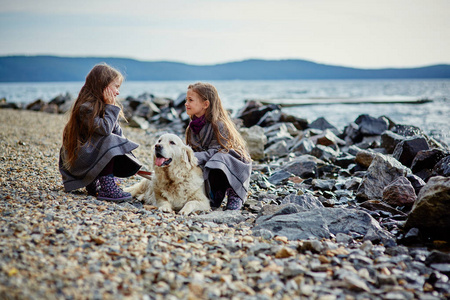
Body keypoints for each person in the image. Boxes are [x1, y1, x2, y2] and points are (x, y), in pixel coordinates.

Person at [59, 63, 141, 202]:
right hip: (78, 163)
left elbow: (118, 135)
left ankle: (96, 181)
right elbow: (105, 131)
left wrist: (111, 110)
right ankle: (107, 187)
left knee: (113, 140)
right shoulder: (85, 108)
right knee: (109, 139)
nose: (118, 92)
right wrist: (110, 108)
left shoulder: (103, 107)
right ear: (103, 85)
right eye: (116, 87)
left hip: (89, 158)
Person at [185, 82, 252, 210]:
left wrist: (188, 155)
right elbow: (191, 151)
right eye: (186, 100)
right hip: (209, 164)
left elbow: (215, 152)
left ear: (205, 104)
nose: (186, 103)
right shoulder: (191, 128)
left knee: (218, 159)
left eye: (190, 100)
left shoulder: (219, 125)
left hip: (232, 164)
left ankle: (234, 193)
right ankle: (216, 191)